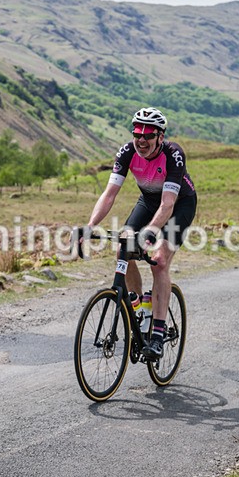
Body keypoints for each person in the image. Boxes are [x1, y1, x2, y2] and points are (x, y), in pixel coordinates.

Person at [80, 107, 196, 360]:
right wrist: (90, 225)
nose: (141, 140)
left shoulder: (173, 155)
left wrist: (151, 234)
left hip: (179, 204)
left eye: (148, 135)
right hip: (148, 201)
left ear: (160, 137)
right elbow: (109, 194)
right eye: (137, 134)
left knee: (160, 260)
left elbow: (168, 205)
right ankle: (141, 308)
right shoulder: (127, 152)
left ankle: (157, 334)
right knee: (124, 245)